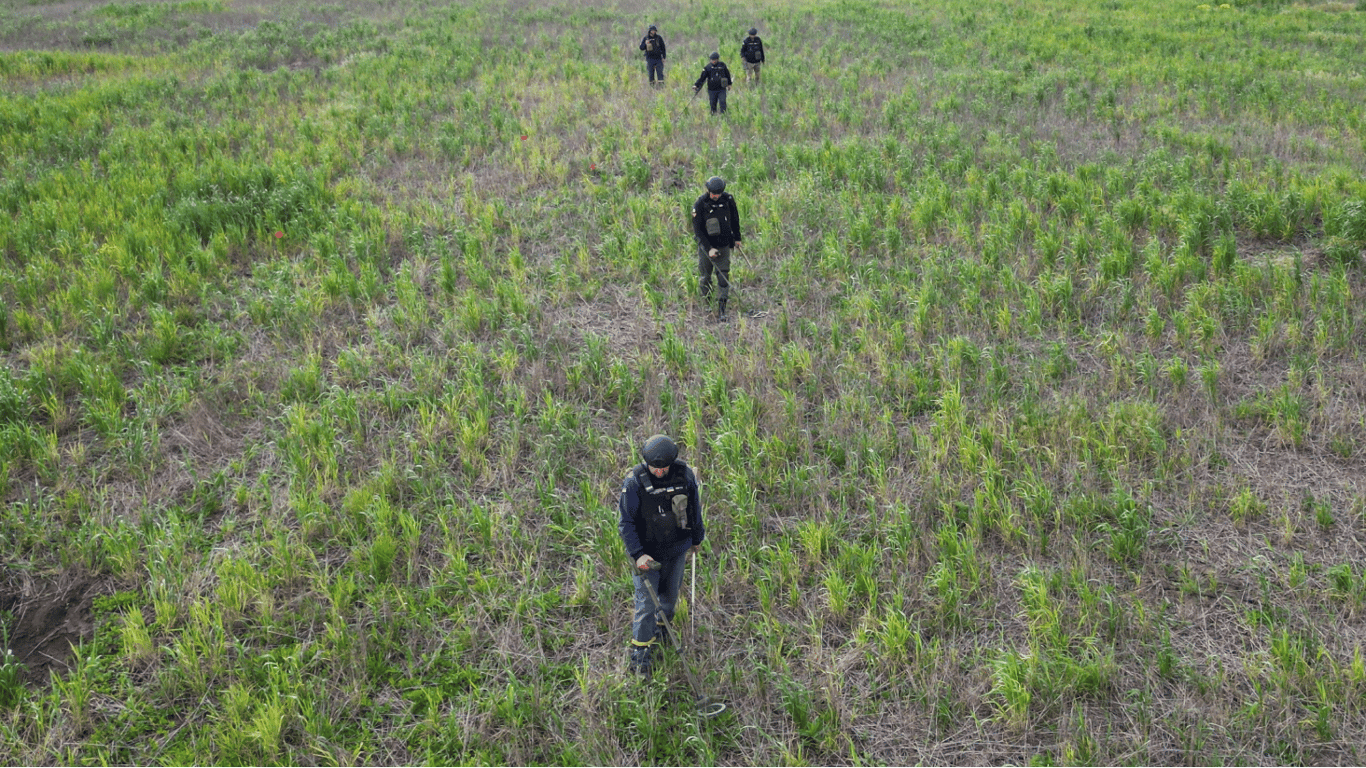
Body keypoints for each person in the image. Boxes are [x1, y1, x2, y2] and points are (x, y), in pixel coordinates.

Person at [618, 435, 705, 678]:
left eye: (663, 466)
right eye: (655, 467)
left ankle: (662, 632)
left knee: (669, 598)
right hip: (647, 555)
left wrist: (697, 538)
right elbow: (625, 523)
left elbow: (694, 509)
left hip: (676, 549)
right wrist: (637, 554)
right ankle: (640, 659)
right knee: (646, 605)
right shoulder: (635, 482)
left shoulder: (684, 476)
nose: (659, 471)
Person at [691, 176, 742, 321]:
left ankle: (722, 308)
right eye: (713, 193)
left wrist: (737, 238)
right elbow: (698, 230)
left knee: (723, 276)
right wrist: (709, 249)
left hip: (724, 244)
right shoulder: (700, 204)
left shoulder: (728, 200)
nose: (716, 196)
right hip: (707, 246)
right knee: (705, 277)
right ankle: (707, 304)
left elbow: (735, 219)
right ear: (708, 191)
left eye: (718, 193)